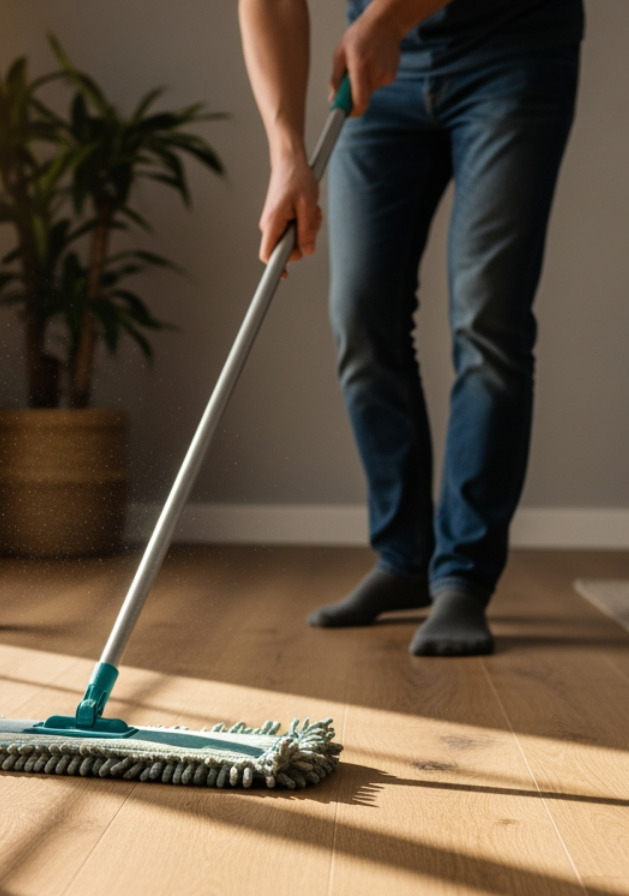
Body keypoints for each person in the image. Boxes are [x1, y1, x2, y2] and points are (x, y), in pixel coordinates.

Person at [239, 0, 583, 655]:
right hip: (382, 72)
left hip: (513, 53)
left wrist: (388, 20)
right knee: (362, 316)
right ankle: (402, 561)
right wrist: (287, 152)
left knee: (488, 320)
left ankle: (462, 578)